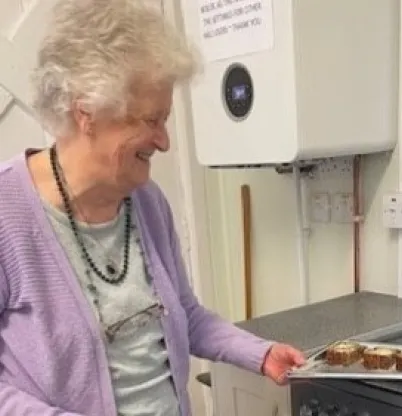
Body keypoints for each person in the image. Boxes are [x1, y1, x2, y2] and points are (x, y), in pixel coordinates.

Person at [0, 0, 305, 415]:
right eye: (151, 120)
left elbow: (188, 315)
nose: (164, 141)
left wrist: (259, 353)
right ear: (87, 112)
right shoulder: (7, 214)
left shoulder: (145, 201)